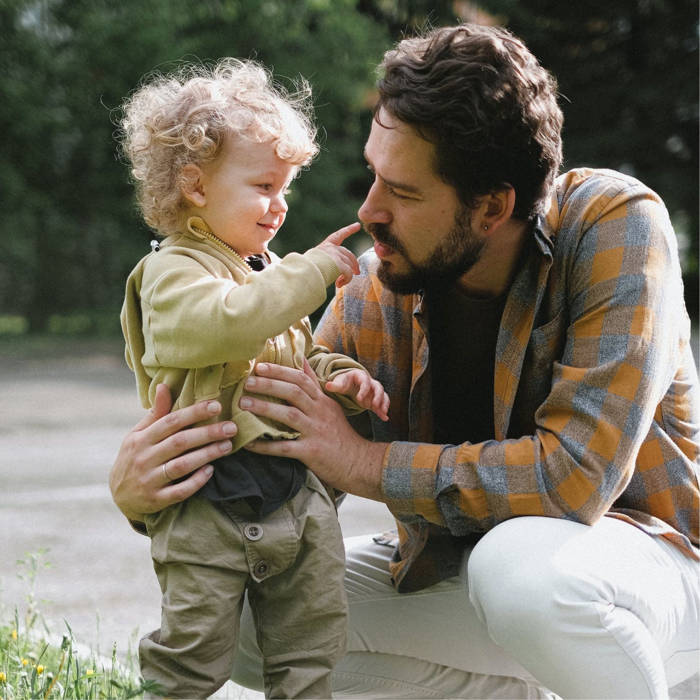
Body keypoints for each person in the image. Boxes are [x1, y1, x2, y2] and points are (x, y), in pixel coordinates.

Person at [111, 24, 700, 699]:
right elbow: (286, 450)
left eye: (404, 191)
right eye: (372, 175)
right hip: (487, 585)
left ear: (491, 207)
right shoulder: (380, 283)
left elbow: (574, 480)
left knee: (518, 572)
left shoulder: (613, 224)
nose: (369, 211)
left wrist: (361, 461)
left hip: (657, 574)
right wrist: (145, 493)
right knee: (252, 615)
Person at [116, 58, 389, 699]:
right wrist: (311, 270)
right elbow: (227, 327)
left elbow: (284, 354)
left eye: (286, 188)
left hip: (293, 497)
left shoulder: (258, 271)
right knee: (191, 656)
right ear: (195, 185)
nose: (280, 205)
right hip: (207, 502)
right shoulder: (174, 272)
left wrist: (339, 375)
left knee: (312, 648)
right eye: (265, 185)